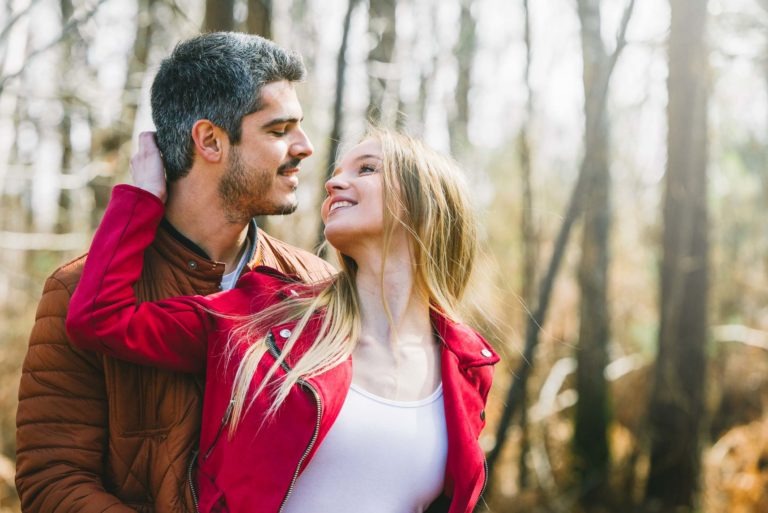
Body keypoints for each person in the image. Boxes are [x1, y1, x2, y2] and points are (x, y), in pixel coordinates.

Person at [65, 127, 499, 513]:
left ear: (427, 204)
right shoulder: (263, 317)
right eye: (338, 171)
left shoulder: (466, 365)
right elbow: (99, 316)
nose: (332, 181)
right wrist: (141, 198)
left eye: (367, 169)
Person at [15, 32, 333, 513]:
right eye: (278, 129)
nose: (304, 147)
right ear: (209, 140)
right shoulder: (76, 291)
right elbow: (53, 481)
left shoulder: (315, 287)